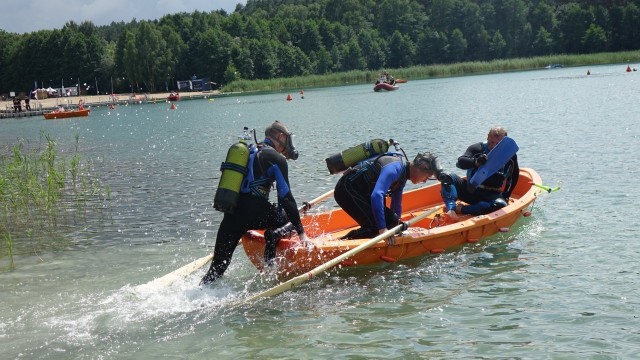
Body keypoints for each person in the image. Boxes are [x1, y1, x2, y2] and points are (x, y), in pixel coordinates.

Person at [201, 121, 309, 285]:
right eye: (287, 139)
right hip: (258, 213)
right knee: (294, 218)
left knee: (216, 268)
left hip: (232, 214)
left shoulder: (247, 151)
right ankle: (271, 256)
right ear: (280, 136)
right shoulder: (277, 159)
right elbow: (286, 198)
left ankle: (201, 291)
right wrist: (301, 232)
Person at [334, 151, 441, 239]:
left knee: (392, 220)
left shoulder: (403, 175)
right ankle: (342, 242)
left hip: (362, 193)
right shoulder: (395, 169)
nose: (426, 180)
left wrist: (396, 227)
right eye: (428, 176)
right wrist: (383, 229)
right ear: (419, 168)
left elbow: (396, 205)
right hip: (346, 190)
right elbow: (377, 195)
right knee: (374, 227)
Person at [440, 126, 519, 219]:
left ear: (504, 143)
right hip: (471, 190)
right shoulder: (477, 148)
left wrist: (506, 195)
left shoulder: (510, 155)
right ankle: (451, 209)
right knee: (447, 177)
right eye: (491, 142)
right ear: (488, 137)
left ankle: (462, 209)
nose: (493, 146)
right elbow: (461, 161)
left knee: (500, 204)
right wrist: (476, 162)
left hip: (491, 195)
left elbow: (515, 174)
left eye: (498, 144)